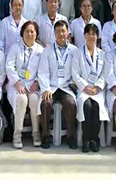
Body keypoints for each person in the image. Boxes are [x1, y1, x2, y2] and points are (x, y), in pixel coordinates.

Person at [37, 20, 78, 149]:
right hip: (52, 87)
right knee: (45, 103)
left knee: (71, 103)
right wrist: (46, 88)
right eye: (58, 31)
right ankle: (45, 136)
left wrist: (73, 84)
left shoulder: (74, 50)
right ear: (54, 33)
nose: (61, 34)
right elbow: (43, 72)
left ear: (67, 32)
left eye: (63, 31)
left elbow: (76, 71)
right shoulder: (47, 50)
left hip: (66, 87)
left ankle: (70, 136)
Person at [6, 21, 44, 149]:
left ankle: (36, 132)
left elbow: (44, 70)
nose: (29, 34)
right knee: (22, 99)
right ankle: (17, 133)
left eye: (32, 31)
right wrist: (17, 82)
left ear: (36, 34)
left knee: (34, 100)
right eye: (27, 31)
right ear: (22, 33)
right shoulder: (15, 48)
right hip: (17, 85)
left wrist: (37, 82)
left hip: (33, 85)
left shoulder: (40, 50)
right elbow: (9, 66)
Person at [72, 24, 109, 153]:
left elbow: (105, 74)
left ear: (97, 36)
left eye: (94, 34)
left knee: (97, 106)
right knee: (87, 105)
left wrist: (97, 87)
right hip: (83, 89)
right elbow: (75, 74)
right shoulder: (78, 53)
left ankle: (94, 139)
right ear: (85, 35)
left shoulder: (102, 54)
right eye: (89, 33)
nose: (91, 36)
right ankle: (86, 139)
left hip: (97, 90)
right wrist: (85, 87)